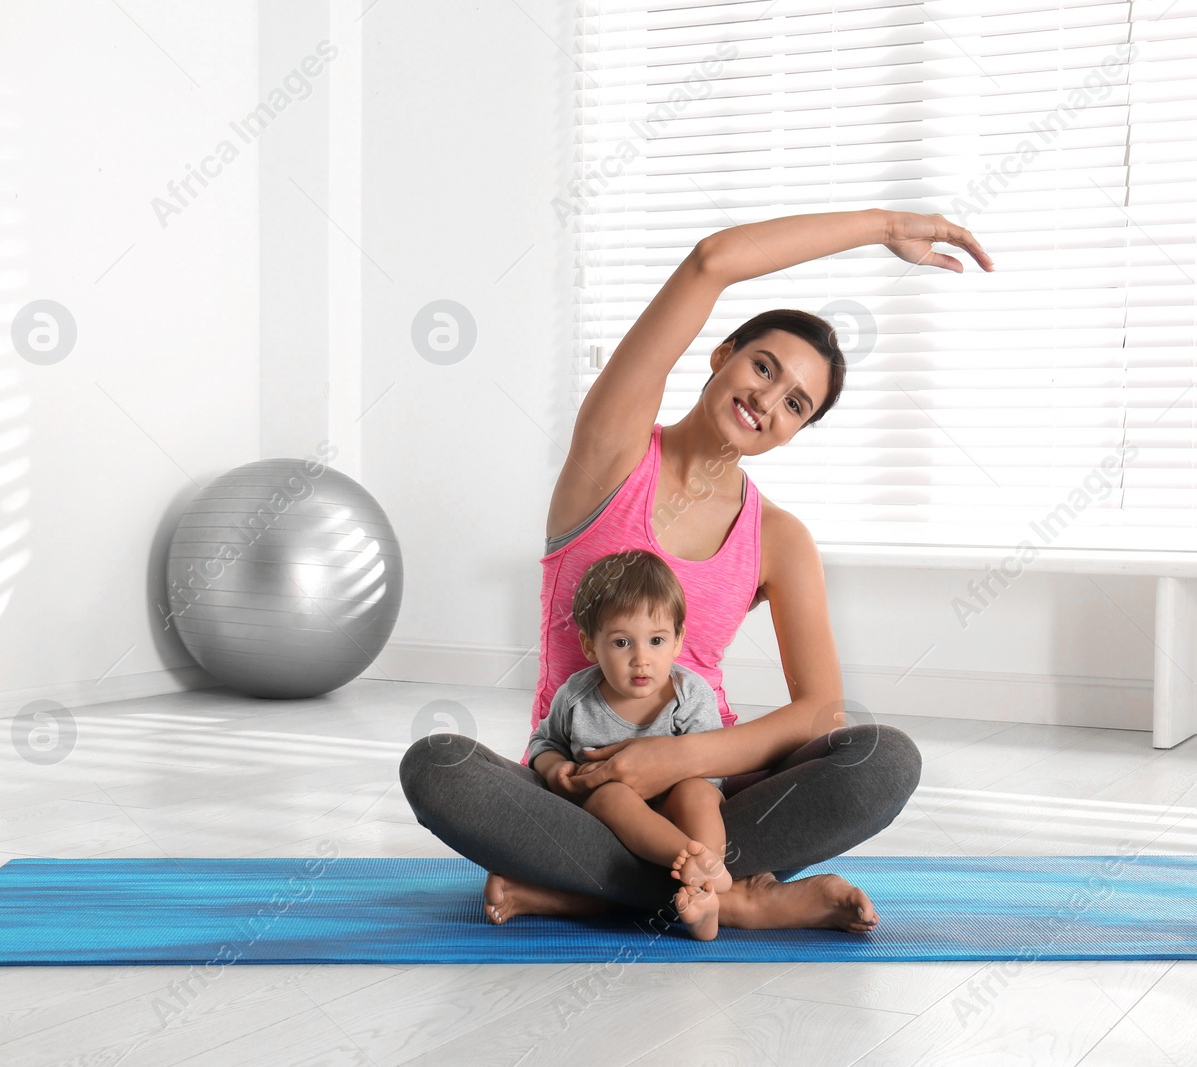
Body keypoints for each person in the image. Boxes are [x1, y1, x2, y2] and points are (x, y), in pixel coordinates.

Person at [401, 207, 993, 933]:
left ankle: (591, 892)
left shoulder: (779, 537)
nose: (765, 400)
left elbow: (819, 712)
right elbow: (710, 260)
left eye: (794, 404)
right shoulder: (612, 455)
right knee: (438, 767)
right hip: (579, 789)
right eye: (764, 367)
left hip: (706, 797)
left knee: (882, 758)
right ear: (722, 353)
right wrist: (881, 227)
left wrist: (675, 758)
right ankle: (733, 897)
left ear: (797, 431)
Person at [528, 549, 735, 940]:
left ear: (677, 641)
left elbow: (712, 765)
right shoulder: (577, 697)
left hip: (677, 807)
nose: (641, 659)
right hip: (612, 827)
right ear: (592, 647)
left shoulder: (689, 695)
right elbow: (544, 742)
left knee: (697, 790)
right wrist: (555, 769)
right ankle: (697, 871)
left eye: (656, 640)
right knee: (612, 796)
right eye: (622, 643)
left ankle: (707, 882)